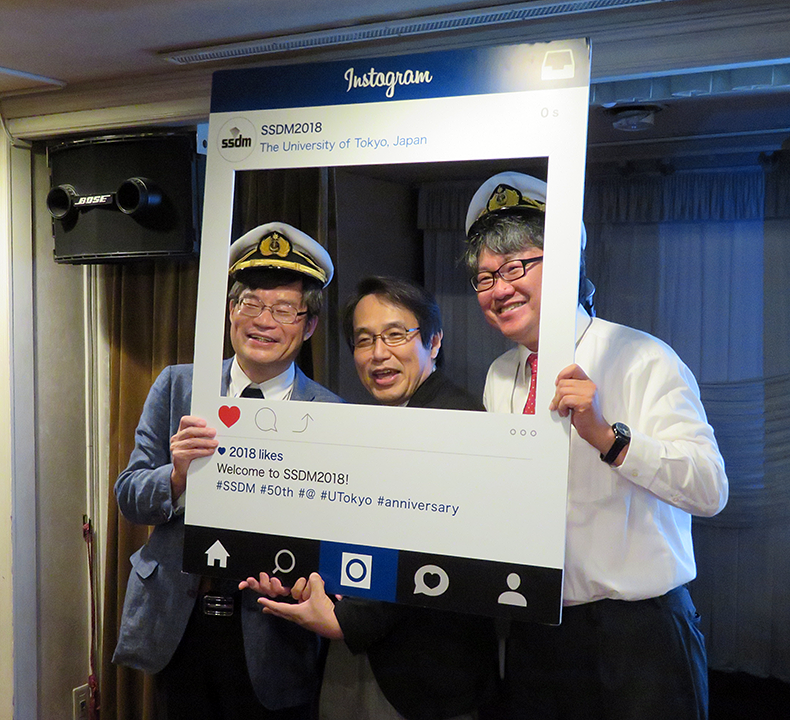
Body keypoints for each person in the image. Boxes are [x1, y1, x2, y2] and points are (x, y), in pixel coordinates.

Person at [463, 171, 729, 720]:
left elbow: (710, 489)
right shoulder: (500, 375)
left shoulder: (642, 356)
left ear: (566, 265)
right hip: (539, 625)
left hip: (639, 634)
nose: (499, 289)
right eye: (485, 277)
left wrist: (609, 439)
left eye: (515, 267)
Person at [112, 221, 343, 719]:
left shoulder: (331, 413)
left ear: (309, 325)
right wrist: (176, 476)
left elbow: (336, 531)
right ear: (230, 311)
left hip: (274, 631)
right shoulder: (178, 386)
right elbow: (129, 496)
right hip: (179, 623)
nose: (263, 321)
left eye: (284, 309)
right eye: (250, 304)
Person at [242, 277, 498, 720]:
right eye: (364, 340)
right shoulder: (367, 427)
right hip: (360, 657)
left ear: (434, 341)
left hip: (425, 675)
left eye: (396, 335)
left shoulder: (459, 422)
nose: (378, 353)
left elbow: (429, 549)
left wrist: (346, 620)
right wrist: (301, 578)